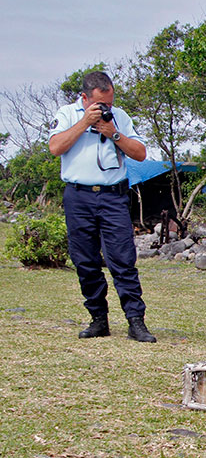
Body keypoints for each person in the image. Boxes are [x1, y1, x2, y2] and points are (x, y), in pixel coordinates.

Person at [48, 71, 156, 342]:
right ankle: (98, 319)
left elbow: (140, 153)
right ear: (84, 98)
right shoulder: (67, 114)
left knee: (123, 259)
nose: (106, 108)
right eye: (99, 104)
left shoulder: (120, 116)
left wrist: (114, 133)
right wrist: (85, 122)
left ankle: (136, 321)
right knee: (85, 260)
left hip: (113, 196)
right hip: (78, 196)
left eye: (109, 102)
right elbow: (55, 147)